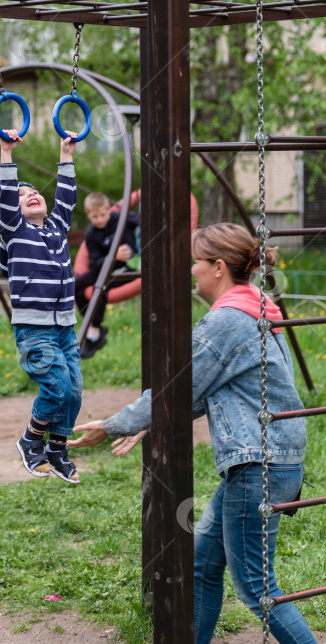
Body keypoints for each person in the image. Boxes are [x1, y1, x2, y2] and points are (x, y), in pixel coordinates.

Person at [69, 223, 316, 643]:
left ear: (218, 267)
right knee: (201, 563)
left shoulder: (225, 321)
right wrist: (151, 420)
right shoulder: (256, 307)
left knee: (257, 588)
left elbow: (177, 389)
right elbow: (201, 391)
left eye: (196, 263)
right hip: (272, 457)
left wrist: (113, 424)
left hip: (259, 462)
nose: (191, 271)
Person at [0, 128, 82, 484]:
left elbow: (66, 198)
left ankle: (57, 449)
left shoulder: (57, 229)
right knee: (58, 385)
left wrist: (66, 156)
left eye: (34, 192)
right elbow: (7, 196)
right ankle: (31, 440)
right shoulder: (15, 232)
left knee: (74, 390)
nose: (30, 195)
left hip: (65, 325)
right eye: (23, 195)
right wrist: (7, 153)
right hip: (34, 327)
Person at [75, 191, 140, 359]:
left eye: (103, 214)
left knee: (100, 289)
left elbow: (142, 222)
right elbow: (95, 261)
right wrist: (112, 256)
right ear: (89, 215)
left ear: (108, 210)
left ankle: (94, 334)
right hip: (104, 267)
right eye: (95, 216)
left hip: (127, 268)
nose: (100, 219)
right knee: (76, 286)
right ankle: (94, 325)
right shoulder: (91, 234)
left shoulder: (121, 218)